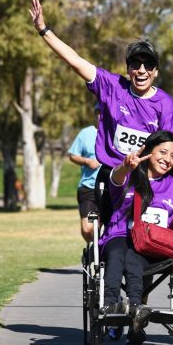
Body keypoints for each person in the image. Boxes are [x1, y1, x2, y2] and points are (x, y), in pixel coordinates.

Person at [29, 0, 173, 226]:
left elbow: (169, 152)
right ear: (128, 69)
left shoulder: (165, 105)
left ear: (155, 72)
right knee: (107, 233)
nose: (141, 70)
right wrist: (43, 30)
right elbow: (75, 61)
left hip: (145, 179)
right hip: (112, 175)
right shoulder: (112, 86)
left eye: (148, 65)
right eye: (135, 64)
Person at [101, 130, 173, 345]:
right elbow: (115, 177)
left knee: (135, 255)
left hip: (150, 245)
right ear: (148, 152)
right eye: (163, 152)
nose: (168, 159)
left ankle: (136, 308)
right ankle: (110, 306)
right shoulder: (128, 176)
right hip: (118, 236)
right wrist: (126, 166)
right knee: (120, 252)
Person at [68, 103, 102, 242]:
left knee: (107, 226)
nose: (102, 116)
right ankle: (93, 249)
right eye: (99, 113)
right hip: (89, 187)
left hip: (110, 188)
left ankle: (102, 251)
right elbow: (72, 155)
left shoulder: (115, 134)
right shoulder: (86, 133)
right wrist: (87, 161)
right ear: (95, 115)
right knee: (87, 229)